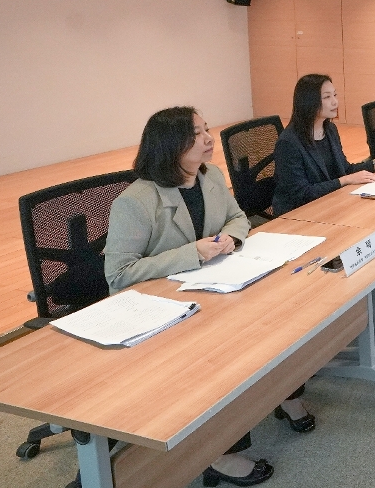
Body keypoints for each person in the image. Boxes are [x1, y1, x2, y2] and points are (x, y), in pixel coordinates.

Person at [104, 107, 273, 487]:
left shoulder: (210, 177)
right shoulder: (136, 201)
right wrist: (192, 253)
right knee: (223, 354)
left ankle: (240, 425)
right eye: (197, 134)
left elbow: (238, 217)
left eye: (207, 129)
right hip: (157, 311)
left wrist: (231, 238)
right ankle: (215, 454)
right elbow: (118, 274)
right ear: (171, 144)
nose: (209, 139)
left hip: (209, 294)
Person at [272, 73, 375, 328]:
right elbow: (300, 194)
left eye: (335, 95)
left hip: (330, 207)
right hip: (300, 217)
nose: (335, 101)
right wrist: (344, 181)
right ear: (309, 102)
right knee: (359, 236)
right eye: (327, 97)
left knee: (373, 227)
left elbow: (344, 169)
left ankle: (370, 302)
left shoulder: (329, 129)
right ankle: (356, 310)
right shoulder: (289, 143)